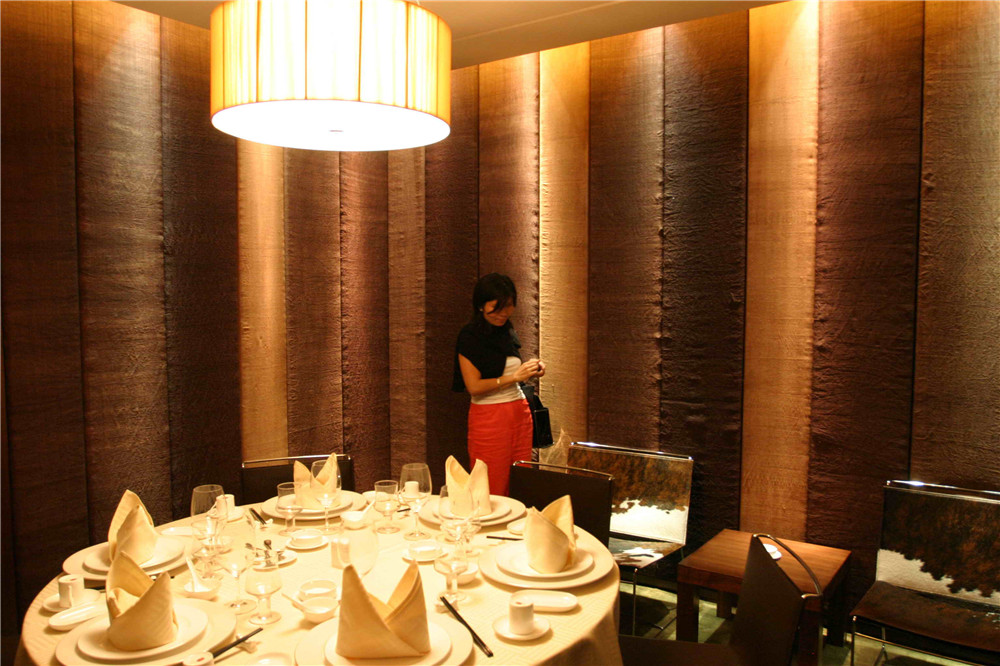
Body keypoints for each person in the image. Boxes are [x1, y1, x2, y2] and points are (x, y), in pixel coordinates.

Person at [452, 273, 545, 496]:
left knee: (520, 480)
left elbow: (509, 371)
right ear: (481, 305)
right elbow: (474, 387)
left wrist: (532, 369)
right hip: (489, 417)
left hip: (520, 413)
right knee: (491, 485)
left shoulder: (506, 330)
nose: (504, 313)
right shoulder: (469, 336)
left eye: (509, 306)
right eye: (498, 307)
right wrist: (515, 377)